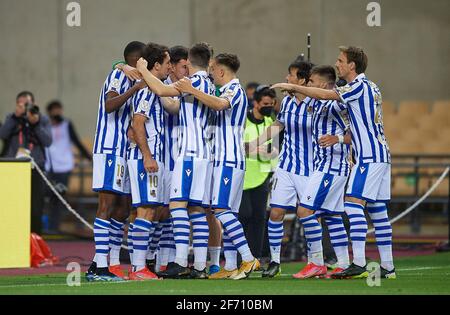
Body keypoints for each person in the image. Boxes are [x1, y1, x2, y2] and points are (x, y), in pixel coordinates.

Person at [271, 46, 395, 279]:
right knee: (376, 212)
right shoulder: (370, 87)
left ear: (352, 66)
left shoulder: (351, 90)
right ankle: (387, 267)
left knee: (347, 206)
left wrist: (292, 86)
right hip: (375, 154)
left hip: (359, 159)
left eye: (341, 60)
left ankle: (353, 263)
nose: (338, 63)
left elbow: (330, 96)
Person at [175, 53, 260, 280]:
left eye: (212, 70)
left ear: (221, 71)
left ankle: (249, 259)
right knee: (227, 212)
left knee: (221, 210)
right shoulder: (225, 89)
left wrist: (192, 90)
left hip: (227, 160)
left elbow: (221, 105)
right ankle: (231, 265)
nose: (211, 74)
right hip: (229, 160)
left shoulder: (233, 89)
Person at [136, 43, 216, 279]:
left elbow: (161, 91)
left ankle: (180, 261)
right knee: (196, 209)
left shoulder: (192, 83)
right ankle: (200, 266)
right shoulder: (208, 83)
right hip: (204, 154)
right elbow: (172, 105)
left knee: (177, 205)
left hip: (189, 153)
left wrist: (143, 69)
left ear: (189, 62)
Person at [85, 41, 146, 282]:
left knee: (121, 210)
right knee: (107, 206)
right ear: (135, 60)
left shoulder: (128, 76)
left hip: (122, 150)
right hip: (109, 147)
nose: (147, 64)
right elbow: (110, 105)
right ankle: (100, 267)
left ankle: (106, 263)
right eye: (144, 60)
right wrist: (133, 88)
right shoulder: (118, 75)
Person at [251, 59, 314, 278]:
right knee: (276, 212)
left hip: (308, 167)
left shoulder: (316, 103)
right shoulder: (286, 102)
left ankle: (317, 260)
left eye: (291, 75)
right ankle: (275, 261)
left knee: (307, 214)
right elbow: (279, 125)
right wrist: (257, 142)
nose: (287, 78)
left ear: (302, 80)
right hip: (286, 166)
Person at [127, 42, 171, 280]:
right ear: (156, 65)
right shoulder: (146, 90)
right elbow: (137, 122)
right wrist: (147, 155)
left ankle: (140, 266)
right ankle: (137, 268)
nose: (169, 68)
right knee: (145, 210)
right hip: (145, 158)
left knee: (150, 211)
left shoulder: (156, 87)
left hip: (154, 158)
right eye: (166, 64)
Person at [237, 85, 279, 274]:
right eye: (264, 104)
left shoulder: (271, 122)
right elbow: (237, 145)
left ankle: (255, 257)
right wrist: (254, 149)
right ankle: (241, 257)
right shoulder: (242, 120)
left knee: (259, 218)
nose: (268, 107)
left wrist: (266, 153)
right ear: (255, 103)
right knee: (243, 216)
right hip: (242, 176)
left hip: (262, 176)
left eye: (271, 104)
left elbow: (275, 151)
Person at [0, 91, 52, 234]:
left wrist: (35, 124)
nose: (23, 107)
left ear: (33, 104)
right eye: (20, 104)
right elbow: (2, 134)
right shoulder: (11, 118)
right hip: (15, 169)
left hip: (36, 168)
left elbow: (48, 141)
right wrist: (15, 118)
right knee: (14, 206)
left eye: (26, 104)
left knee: (36, 208)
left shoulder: (43, 120)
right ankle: (14, 239)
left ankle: (35, 243)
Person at [44, 100, 92, 233]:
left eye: (59, 109)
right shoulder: (45, 125)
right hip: (50, 167)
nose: (57, 112)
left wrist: (89, 157)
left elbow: (76, 141)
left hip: (64, 167)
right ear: (49, 112)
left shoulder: (66, 124)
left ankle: (54, 226)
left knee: (60, 196)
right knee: (49, 195)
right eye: (54, 110)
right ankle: (49, 225)